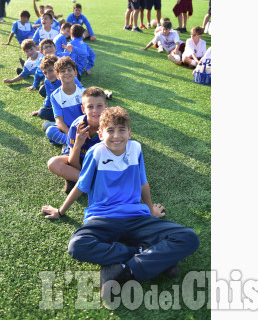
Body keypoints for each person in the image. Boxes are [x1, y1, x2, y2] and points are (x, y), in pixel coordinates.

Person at [41, 106, 200, 299]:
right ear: (100, 134)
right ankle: (148, 253)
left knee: (188, 237)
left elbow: (143, 183)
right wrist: (60, 210)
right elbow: (81, 186)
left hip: (136, 217)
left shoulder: (136, 149)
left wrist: (150, 210)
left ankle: (127, 269)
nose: (117, 136)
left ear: (129, 133)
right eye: (110, 130)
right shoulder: (95, 153)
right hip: (102, 218)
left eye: (122, 130)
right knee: (77, 246)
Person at [47, 86, 108, 193]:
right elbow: (72, 163)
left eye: (99, 106)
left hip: (96, 163)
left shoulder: (110, 127)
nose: (95, 111)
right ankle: (91, 183)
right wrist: (77, 145)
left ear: (106, 107)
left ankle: (75, 179)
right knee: (53, 163)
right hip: (77, 158)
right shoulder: (76, 127)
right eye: (90, 107)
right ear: (83, 109)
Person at [44, 57, 85, 146]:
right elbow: (59, 120)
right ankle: (73, 142)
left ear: (75, 73)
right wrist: (70, 134)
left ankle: (71, 143)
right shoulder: (55, 96)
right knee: (50, 131)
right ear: (57, 75)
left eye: (69, 70)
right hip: (67, 129)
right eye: (62, 71)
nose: (66, 73)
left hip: (83, 128)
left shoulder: (84, 92)